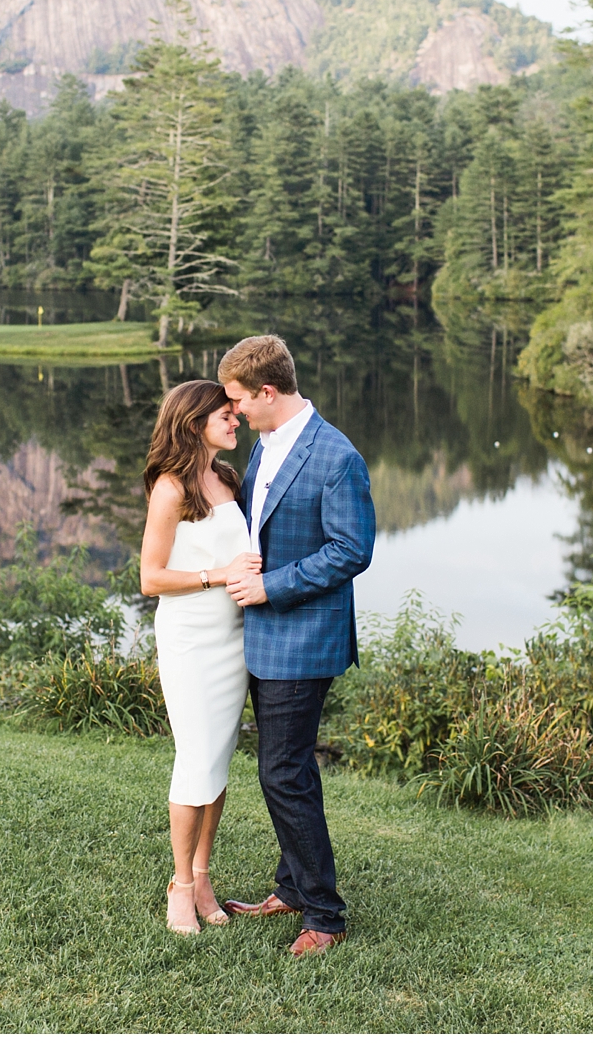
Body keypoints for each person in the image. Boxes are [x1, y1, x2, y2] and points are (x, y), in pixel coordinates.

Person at [216, 334, 376, 957]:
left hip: (303, 636)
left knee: (283, 773)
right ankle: (290, 887)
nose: (233, 413)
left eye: (238, 401)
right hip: (263, 635)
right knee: (286, 770)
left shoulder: (336, 456)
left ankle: (325, 916)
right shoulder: (265, 445)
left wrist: (269, 588)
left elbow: (351, 551)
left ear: (267, 391)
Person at [139, 379, 261, 936]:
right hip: (190, 642)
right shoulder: (171, 489)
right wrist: (219, 575)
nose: (236, 421)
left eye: (236, 415)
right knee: (194, 761)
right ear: (194, 423)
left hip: (233, 639)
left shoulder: (226, 479)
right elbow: (151, 578)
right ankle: (180, 887)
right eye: (225, 416)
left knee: (215, 761)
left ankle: (203, 874)